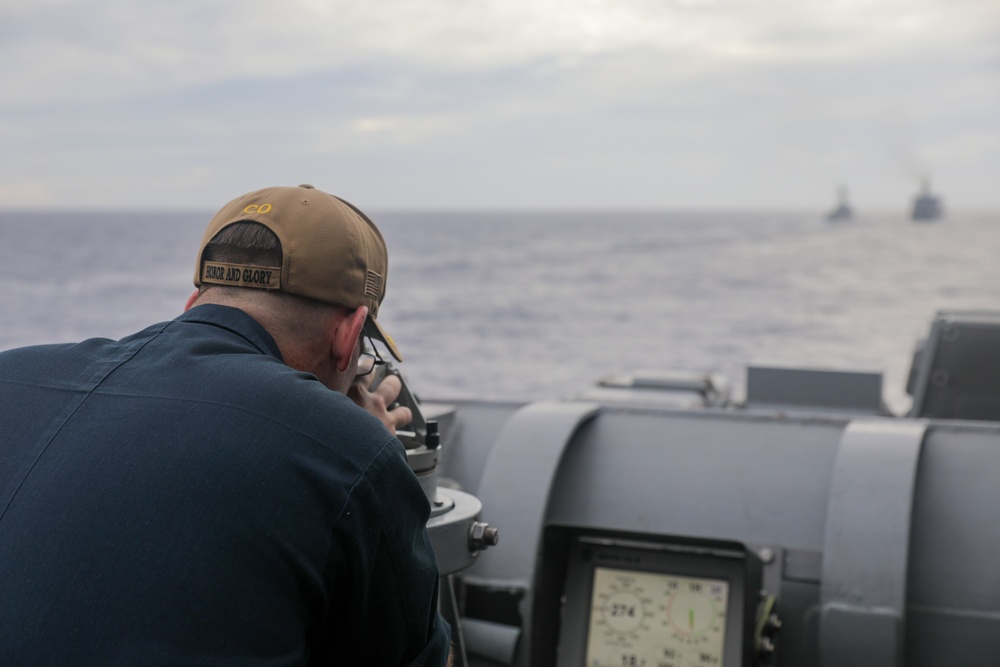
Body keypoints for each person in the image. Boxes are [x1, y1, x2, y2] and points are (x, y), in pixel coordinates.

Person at [0, 184, 451, 666]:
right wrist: (369, 453)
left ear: (193, 301)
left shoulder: (11, 376)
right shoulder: (350, 448)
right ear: (349, 334)